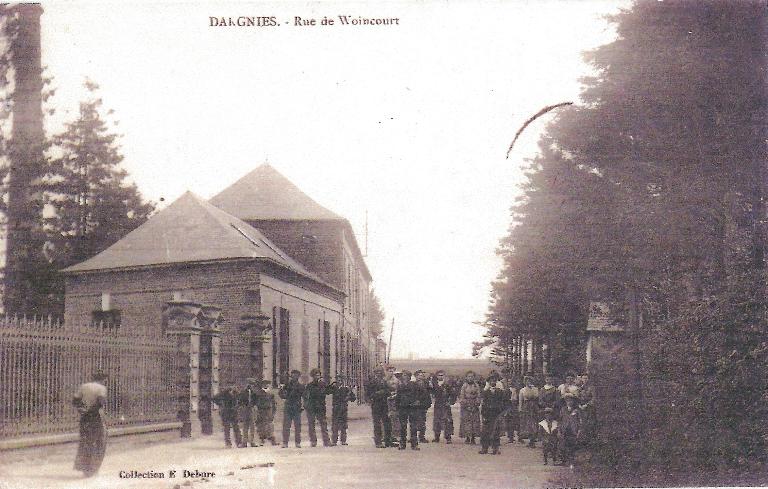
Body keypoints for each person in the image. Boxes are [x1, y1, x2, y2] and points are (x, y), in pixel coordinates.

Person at [73, 371, 108, 477]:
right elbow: (100, 402)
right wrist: (91, 410)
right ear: (103, 379)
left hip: (85, 417)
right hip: (96, 417)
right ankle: (93, 468)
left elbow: (75, 400)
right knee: (99, 441)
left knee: (85, 441)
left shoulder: (84, 386)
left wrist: (82, 409)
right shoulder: (101, 388)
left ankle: (84, 468)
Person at [479, 372, 506, 455]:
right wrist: (483, 414)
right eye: (491, 381)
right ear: (489, 382)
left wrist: (501, 412)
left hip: (496, 414)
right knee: (485, 431)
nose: (492, 382)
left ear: (496, 382)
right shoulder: (485, 392)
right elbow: (483, 403)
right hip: (487, 414)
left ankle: (495, 448)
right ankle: (484, 448)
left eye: (494, 381)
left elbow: (503, 402)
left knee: (496, 432)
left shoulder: (500, 392)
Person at [302, 368, 330, 447]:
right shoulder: (309, 386)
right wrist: (307, 405)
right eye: (315, 375)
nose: (317, 377)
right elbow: (305, 396)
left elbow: (328, 391)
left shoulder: (323, 384)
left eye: (318, 375)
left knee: (323, 424)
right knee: (311, 425)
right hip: (312, 407)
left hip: (321, 407)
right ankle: (313, 441)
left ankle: (326, 441)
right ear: (312, 376)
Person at [365, 367, 392, 448]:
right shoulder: (371, 382)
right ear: (375, 373)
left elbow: (388, 391)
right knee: (377, 424)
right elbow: (367, 394)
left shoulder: (384, 382)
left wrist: (384, 392)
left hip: (384, 404)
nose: (379, 374)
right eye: (377, 373)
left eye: (380, 372)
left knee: (387, 423)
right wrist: (374, 396)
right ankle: (378, 442)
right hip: (376, 404)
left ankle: (388, 441)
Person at [395, 369, 421, 450]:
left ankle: (414, 444)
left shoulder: (414, 385)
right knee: (403, 426)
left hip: (412, 408)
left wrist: (417, 401)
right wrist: (397, 407)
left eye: (406, 375)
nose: (404, 377)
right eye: (403, 375)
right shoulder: (400, 386)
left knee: (413, 426)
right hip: (403, 408)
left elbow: (421, 394)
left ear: (409, 377)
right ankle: (402, 444)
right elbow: (398, 397)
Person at [279, 369, 305, 448]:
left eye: (296, 375)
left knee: (297, 426)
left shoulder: (301, 386)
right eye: (293, 375)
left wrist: (303, 405)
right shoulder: (287, 385)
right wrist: (282, 389)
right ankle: (285, 442)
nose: (294, 377)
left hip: (297, 408)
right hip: (288, 407)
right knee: (286, 426)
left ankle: (297, 442)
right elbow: (282, 395)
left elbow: (304, 396)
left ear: (298, 377)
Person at [328, 375, 356, 446]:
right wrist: (331, 385)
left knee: (344, 425)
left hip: (343, 409)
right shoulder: (334, 388)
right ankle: (334, 441)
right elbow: (327, 391)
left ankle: (343, 440)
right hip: (336, 409)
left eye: (341, 380)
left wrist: (349, 396)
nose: (339, 381)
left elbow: (353, 398)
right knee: (335, 425)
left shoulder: (346, 389)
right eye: (338, 380)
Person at [429, 370, 456, 443]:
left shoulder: (448, 384)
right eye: (439, 375)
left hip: (445, 405)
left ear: (444, 376)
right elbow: (431, 392)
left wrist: (450, 402)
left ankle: (448, 438)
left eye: (442, 375)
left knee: (447, 421)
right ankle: (437, 437)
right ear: (437, 376)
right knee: (437, 421)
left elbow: (453, 394)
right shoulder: (434, 384)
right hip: (438, 405)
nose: (440, 376)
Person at [212, 384, 242, 449]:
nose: (233, 387)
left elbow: (240, 400)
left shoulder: (236, 393)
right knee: (227, 429)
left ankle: (239, 443)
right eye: (231, 386)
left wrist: (238, 406)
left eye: (234, 386)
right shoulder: (224, 393)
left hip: (234, 413)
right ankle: (228, 443)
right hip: (226, 413)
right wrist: (220, 404)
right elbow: (214, 398)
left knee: (236, 428)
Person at [458, 371, 482, 444]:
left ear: (474, 377)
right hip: (466, 406)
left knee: (474, 422)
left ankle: (473, 437)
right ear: (466, 377)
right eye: (469, 376)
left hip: (474, 405)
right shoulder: (464, 386)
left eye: (472, 376)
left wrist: (476, 404)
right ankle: (467, 437)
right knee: (466, 421)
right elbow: (462, 396)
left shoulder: (476, 386)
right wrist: (466, 405)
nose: (470, 378)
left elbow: (479, 396)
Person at [559, 393, 580, 467]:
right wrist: (560, 430)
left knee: (572, 446)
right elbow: (560, 420)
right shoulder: (563, 409)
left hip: (573, 430)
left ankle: (572, 462)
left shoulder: (577, 410)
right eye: (567, 400)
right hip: (565, 429)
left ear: (573, 401)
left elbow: (580, 421)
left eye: (571, 400)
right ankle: (564, 461)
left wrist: (578, 431)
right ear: (565, 401)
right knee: (563, 445)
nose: (569, 402)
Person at [518, 375, 540, 447]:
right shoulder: (522, 390)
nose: (528, 382)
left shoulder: (535, 389)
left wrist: (531, 390)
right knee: (527, 423)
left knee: (534, 423)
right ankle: (526, 437)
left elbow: (537, 396)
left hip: (533, 407)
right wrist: (520, 408)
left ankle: (532, 440)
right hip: (526, 406)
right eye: (527, 381)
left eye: (530, 381)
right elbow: (520, 400)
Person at [255, 379, 277, 446]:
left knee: (270, 425)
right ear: (262, 385)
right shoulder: (258, 393)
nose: (266, 385)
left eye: (267, 384)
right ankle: (262, 439)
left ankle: (272, 440)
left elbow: (274, 403)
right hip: (261, 410)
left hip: (268, 410)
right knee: (261, 425)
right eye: (264, 384)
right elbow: (256, 402)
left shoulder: (271, 394)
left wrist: (273, 412)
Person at [238, 378, 258, 447]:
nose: (251, 385)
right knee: (245, 426)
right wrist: (243, 406)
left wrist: (253, 406)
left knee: (252, 426)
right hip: (245, 409)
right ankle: (244, 442)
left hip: (251, 409)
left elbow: (256, 400)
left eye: (252, 384)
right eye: (250, 384)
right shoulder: (243, 392)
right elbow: (240, 400)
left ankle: (252, 441)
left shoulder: (254, 392)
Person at [577, 372, 596, 445]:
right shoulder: (580, 387)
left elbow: (594, 398)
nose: (585, 380)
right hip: (581, 408)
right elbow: (577, 398)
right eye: (583, 378)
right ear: (581, 379)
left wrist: (587, 405)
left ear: (588, 379)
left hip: (589, 408)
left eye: (586, 378)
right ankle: (582, 442)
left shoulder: (591, 387)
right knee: (581, 424)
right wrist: (579, 405)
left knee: (589, 424)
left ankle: (590, 442)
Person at [385, 367, 401, 447]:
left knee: (395, 419)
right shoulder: (384, 380)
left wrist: (394, 395)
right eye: (389, 371)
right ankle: (386, 435)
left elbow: (399, 391)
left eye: (392, 371)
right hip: (386, 401)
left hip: (394, 401)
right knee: (386, 418)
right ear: (387, 371)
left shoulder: (397, 381)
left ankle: (395, 436)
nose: (391, 372)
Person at [414, 370, 431, 444]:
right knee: (414, 421)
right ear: (416, 376)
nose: (420, 377)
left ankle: (421, 437)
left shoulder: (426, 384)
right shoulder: (413, 384)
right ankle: (413, 437)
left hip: (423, 405)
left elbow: (428, 395)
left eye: (421, 375)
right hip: (415, 405)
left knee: (422, 421)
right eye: (419, 375)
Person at [504, 376, 520, 443]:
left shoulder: (517, 390)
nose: (510, 383)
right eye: (509, 382)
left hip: (515, 407)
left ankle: (519, 437)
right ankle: (510, 437)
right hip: (509, 407)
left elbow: (519, 399)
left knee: (516, 422)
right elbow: (504, 400)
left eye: (512, 382)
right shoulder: (506, 390)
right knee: (509, 422)